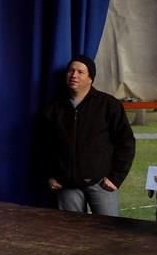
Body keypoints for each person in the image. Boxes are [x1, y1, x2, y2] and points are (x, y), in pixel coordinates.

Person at [41, 55, 136, 216]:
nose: (74, 75)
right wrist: (50, 175)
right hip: (67, 185)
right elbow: (43, 145)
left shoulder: (108, 105)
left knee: (108, 229)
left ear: (90, 78)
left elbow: (125, 142)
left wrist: (116, 177)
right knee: (71, 230)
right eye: (71, 71)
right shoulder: (54, 108)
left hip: (101, 183)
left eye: (80, 72)